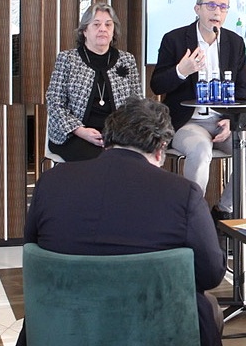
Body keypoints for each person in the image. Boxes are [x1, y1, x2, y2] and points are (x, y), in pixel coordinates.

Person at [19, 98, 227, 346]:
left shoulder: (52, 182)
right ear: (161, 148)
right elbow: (211, 274)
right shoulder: (183, 194)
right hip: (156, 330)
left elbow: (33, 249)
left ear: (107, 140)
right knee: (209, 307)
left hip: (62, 326)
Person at [150, 0, 246, 220]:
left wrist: (231, 121)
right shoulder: (174, 39)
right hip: (187, 122)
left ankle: (223, 211)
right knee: (201, 150)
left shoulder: (234, 43)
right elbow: (157, 85)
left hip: (221, 120)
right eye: (211, 6)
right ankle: (191, 217)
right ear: (197, 9)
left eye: (223, 7)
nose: (217, 12)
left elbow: (242, 87)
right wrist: (181, 71)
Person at [45, 2, 142, 162]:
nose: (103, 29)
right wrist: (80, 130)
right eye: (96, 24)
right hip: (74, 135)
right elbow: (55, 103)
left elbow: (136, 103)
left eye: (108, 25)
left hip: (117, 135)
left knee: (134, 158)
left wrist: (120, 135)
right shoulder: (68, 59)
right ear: (84, 30)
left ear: (113, 31)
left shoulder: (127, 60)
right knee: (103, 160)